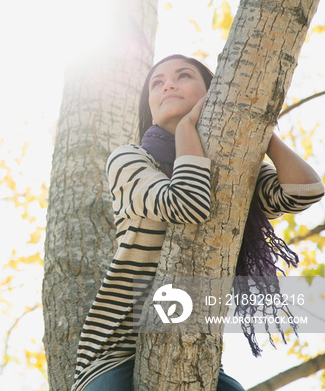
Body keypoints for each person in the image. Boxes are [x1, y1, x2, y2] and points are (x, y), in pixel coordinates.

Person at [72, 54, 325, 391]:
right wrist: (188, 128)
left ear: (211, 92)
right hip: (117, 351)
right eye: (157, 83)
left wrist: (256, 126)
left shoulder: (235, 163)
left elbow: (303, 192)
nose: (168, 85)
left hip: (194, 346)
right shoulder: (131, 159)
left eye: (183, 76)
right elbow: (188, 203)